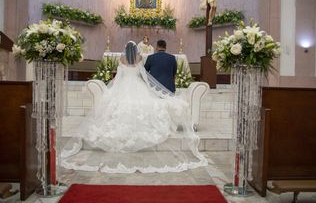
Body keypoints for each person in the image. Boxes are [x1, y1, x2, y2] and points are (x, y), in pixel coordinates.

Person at [61, 41, 207, 173]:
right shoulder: (139, 59)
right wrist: (150, 88)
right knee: (145, 105)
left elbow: (118, 76)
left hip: (123, 85)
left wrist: (112, 89)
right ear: (136, 50)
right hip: (137, 85)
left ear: (125, 50)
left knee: (118, 105)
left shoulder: (122, 59)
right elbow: (144, 75)